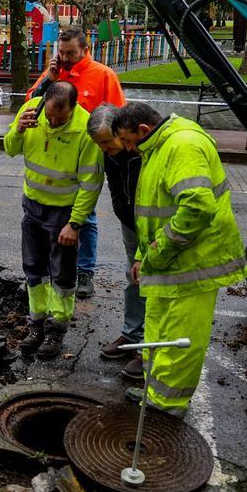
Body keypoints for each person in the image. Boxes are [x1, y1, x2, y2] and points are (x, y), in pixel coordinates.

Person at [111, 102, 247, 416]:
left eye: (130, 142)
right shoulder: (160, 146)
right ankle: (155, 394)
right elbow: (157, 212)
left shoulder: (182, 146)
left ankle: (168, 405)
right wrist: (143, 257)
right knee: (158, 330)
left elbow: (196, 208)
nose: (130, 150)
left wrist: (155, 254)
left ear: (144, 130)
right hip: (170, 261)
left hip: (193, 263)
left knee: (178, 337)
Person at [4, 81, 103, 359]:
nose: (54, 121)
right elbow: (10, 149)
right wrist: (19, 129)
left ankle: (56, 328)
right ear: (44, 103)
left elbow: (91, 183)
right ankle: (36, 324)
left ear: (74, 107)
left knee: (61, 272)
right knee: (33, 268)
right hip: (33, 205)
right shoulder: (31, 111)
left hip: (63, 211)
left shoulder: (85, 130)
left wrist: (75, 223)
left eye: (61, 117)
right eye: (50, 116)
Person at [32, 28, 126, 300]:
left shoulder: (103, 75)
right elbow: (32, 104)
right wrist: (47, 82)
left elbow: (117, 113)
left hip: (90, 154)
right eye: (61, 53)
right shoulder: (55, 73)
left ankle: (85, 271)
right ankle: (58, 268)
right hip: (58, 158)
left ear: (85, 50)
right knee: (54, 212)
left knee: (86, 215)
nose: (65, 58)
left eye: (71, 53)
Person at [86, 104, 145, 380]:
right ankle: (132, 335)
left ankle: (149, 347)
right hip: (131, 224)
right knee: (133, 276)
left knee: (153, 281)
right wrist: (125, 216)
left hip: (152, 224)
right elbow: (116, 190)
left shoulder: (141, 153)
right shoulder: (112, 155)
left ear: (121, 133)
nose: (104, 150)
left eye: (107, 143)